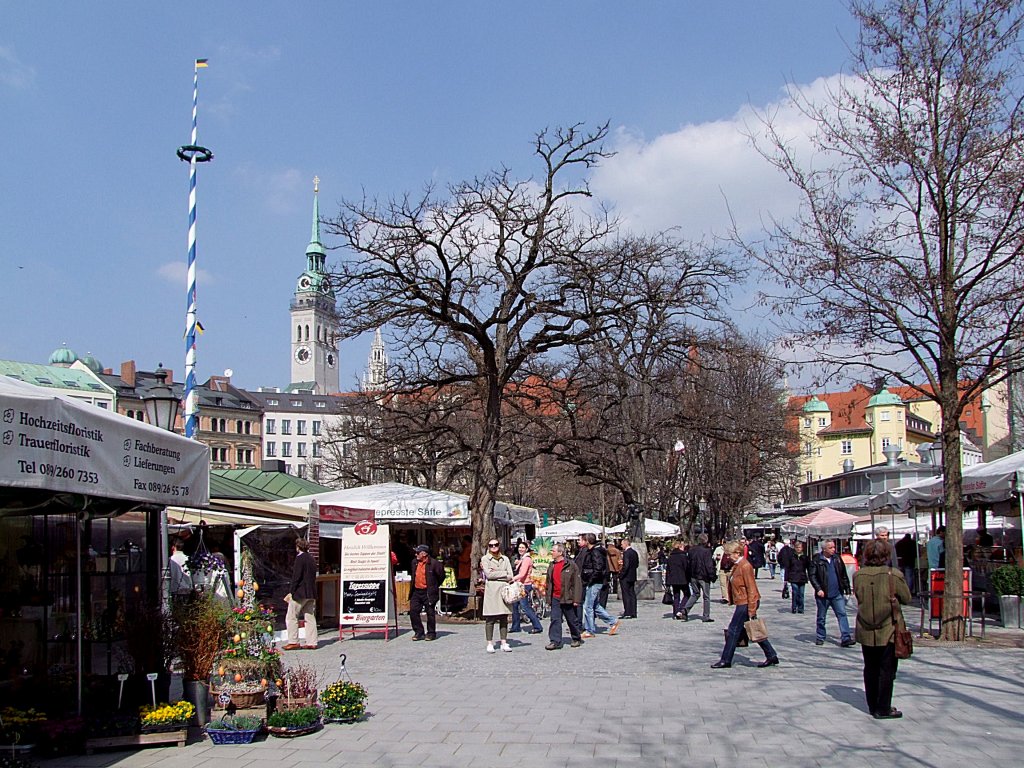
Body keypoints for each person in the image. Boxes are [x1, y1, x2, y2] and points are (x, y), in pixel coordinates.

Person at [853, 539, 912, 719]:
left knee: (870, 667)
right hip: (889, 627)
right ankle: (883, 707)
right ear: (886, 555)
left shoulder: (859, 575)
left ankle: (872, 704)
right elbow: (907, 598)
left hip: (865, 626)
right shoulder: (893, 575)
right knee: (886, 669)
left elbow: (858, 595)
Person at [711, 541, 780, 669]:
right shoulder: (737, 565)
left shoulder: (745, 566)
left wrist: (752, 609)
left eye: (729, 554)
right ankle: (771, 655)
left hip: (746, 602)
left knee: (733, 630)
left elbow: (751, 588)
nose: (728, 557)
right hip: (743, 601)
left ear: (737, 553)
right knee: (752, 628)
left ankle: (726, 659)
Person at [808, 540, 854, 647]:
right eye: (831, 548)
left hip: (837, 593)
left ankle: (846, 637)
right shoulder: (817, 560)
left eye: (834, 547)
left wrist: (847, 588)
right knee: (821, 617)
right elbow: (812, 576)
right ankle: (820, 636)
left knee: (842, 614)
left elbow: (843, 574)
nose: (833, 549)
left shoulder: (837, 559)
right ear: (824, 549)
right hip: (823, 594)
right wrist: (818, 589)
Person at [576, 534, 620, 637]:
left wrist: (590, 580)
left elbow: (598, 568)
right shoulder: (594, 551)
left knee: (588, 606)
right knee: (595, 606)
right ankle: (613, 621)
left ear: (587, 541)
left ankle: (589, 630)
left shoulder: (595, 552)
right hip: (594, 580)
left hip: (595, 581)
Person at [545, 543, 584, 650]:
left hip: (568, 597)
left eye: (553, 551)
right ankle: (555, 641)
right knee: (555, 619)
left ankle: (576, 638)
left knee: (571, 620)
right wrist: (548, 597)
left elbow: (577, 583)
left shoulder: (571, 565)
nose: (551, 553)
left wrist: (576, 599)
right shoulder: (551, 565)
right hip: (555, 597)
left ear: (560, 553)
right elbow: (549, 582)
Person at [480, 538, 514, 653]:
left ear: (499, 545)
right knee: (490, 618)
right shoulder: (485, 559)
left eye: (495, 544)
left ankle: (504, 642)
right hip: (492, 591)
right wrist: (503, 573)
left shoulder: (505, 559)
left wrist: (497, 573)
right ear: (488, 547)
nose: (493, 547)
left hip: (504, 591)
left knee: (504, 617)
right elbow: (489, 575)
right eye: (491, 545)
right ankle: (489, 643)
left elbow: (510, 575)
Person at [283, 538, 318, 650]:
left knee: (291, 616)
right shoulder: (311, 558)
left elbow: (296, 577)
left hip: (300, 593)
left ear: (298, 547)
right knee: (310, 617)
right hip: (311, 592)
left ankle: (293, 641)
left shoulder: (299, 558)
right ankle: (312, 642)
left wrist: (291, 591)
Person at [409, 544, 445, 641]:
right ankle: (418, 631)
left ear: (424, 554)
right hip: (416, 591)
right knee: (413, 611)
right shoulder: (414, 562)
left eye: (418, 553)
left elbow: (441, 576)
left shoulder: (434, 563)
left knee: (430, 613)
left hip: (428, 592)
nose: (416, 555)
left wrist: (433, 586)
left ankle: (431, 633)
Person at [509, 542, 543, 634]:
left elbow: (523, 574)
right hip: (519, 584)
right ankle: (515, 626)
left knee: (525, 606)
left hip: (524, 585)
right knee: (515, 605)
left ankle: (537, 626)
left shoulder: (526, 559)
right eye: (519, 547)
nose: (520, 549)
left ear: (527, 549)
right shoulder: (522, 558)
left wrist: (512, 579)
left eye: (523, 547)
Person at [683, 533, 716, 622]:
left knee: (695, 594)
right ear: (706, 541)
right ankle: (706, 616)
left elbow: (688, 564)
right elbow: (708, 565)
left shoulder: (691, 550)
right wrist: (712, 576)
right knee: (706, 597)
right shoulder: (707, 551)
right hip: (703, 576)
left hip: (693, 576)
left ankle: (685, 609)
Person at [665, 539, 690, 620]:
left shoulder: (670, 557)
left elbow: (668, 570)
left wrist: (667, 582)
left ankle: (676, 612)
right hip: (683, 578)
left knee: (676, 596)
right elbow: (687, 568)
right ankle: (681, 609)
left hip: (673, 579)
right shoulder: (683, 556)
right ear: (680, 546)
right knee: (687, 594)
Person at [784, 541, 811, 614]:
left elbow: (809, 567)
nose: (798, 549)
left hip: (802, 577)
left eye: (800, 547)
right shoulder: (791, 556)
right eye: (797, 547)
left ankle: (801, 608)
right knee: (795, 592)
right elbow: (787, 567)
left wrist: (810, 576)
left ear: (802, 548)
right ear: (795, 548)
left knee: (801, 594)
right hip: (793, 577)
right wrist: (786, 579)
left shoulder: (805, 557)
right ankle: (794, 607)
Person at [618, 537, 639, 619]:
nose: (621, 546)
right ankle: (633, 611)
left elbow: (626, 565)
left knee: (626, 594)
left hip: (626, 577)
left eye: (622, 544)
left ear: (626, 544)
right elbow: (637, 564)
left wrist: (621, 574)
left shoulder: (626, 553)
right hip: (632, 575)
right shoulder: (634, 552)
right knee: (632, 594)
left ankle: (627, 612)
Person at [453, 535, 473, 612]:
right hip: (464, 573)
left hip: (465, 573)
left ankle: (463, 604)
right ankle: (463, 603)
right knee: (464, 589)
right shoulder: (468, 548)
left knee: (463, 590)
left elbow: (465, 559)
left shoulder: (468, 548)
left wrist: (457, 557)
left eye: (463, 541)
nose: (462, 542)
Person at [713, 538, 731, 604]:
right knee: (723, 584)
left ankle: (731, 597)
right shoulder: (718, 549)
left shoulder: (731, 549)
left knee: (730, 584)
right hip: (721, 569)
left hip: (730, 569)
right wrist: (716, 558)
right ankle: (725, 597)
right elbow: (714, 556)